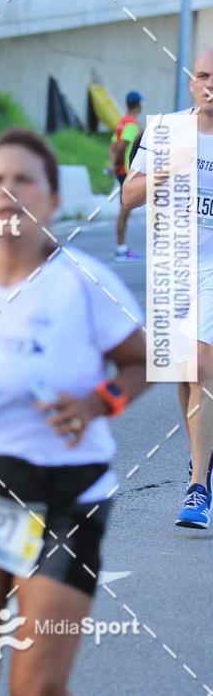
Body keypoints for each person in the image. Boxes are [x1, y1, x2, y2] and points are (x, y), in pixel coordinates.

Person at [0, 127, 148, 696]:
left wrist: (99, 402)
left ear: (52, 198)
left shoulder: (85, 284)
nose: (8, 190)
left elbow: (144, 362)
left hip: (67, 500)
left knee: (37, 687)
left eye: (24, 179)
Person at [123, 48, 213, 528]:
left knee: (201, 363)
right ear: (191, 82)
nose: (209, 84)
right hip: (173, 264)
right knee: (185, 373)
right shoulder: (162, 129)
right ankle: (203, 460)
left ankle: (198, 486)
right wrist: (165, 168)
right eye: (202, 75)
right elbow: (128, 196)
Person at [108, 91, 144, 261]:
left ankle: (121, 247)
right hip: (125, 171)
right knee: (125, 209)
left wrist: (114, 163)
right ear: (138, 105)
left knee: (125, 208)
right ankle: (121, 249)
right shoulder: (132, 124)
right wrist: (118, 165)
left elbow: (113, 146)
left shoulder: (122, 122)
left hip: (120, 170)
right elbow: (122, 146)